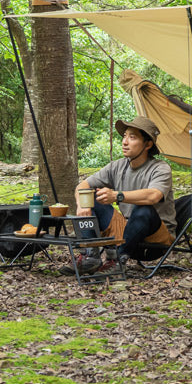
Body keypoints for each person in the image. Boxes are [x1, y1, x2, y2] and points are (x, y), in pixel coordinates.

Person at [59, 116, 176, 275]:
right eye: (124, 136)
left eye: (132, 137)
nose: (125, 141)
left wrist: (117, 195)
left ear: (148, 144)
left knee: (144, 208)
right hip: (126, 231)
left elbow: (153, 196)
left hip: (155, 238)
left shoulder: (160, 168)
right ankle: (90, 255)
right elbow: (83, 185)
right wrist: (82, 205)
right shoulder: (117, 166)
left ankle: (117, 261)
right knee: (89, 196)